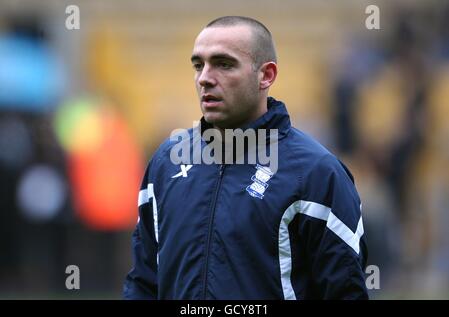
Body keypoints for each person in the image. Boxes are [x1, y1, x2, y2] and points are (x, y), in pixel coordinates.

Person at [123, 16, 368, 300]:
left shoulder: (316, 173)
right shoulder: (166, 164)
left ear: (266, 75)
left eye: (224, 64)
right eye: (198, 65)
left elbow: (345, 292)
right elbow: (143, 282)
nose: (205, 78)